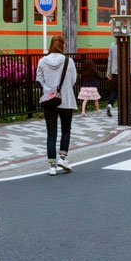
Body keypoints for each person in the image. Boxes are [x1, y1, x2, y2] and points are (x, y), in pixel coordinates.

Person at [36, 36, 77, 175]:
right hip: (66, 100)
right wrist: (63, 89)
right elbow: (73, 80)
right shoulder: (68, 61)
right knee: (66, 130)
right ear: (63, 46)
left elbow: (38, 81)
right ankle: (63, 158)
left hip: (49, 101)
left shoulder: (42, 61)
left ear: (51, 44)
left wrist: (49, 90)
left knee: (51, 133)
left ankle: (52, 166)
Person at [105, 39, 131, 118]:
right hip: (126, 72)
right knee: (125, 91)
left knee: (115, 91)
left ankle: (110, 104)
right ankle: (124, 110)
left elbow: (109, 60)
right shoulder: (130, 46)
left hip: (115, 72)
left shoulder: (112, 46)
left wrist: (108, 73)